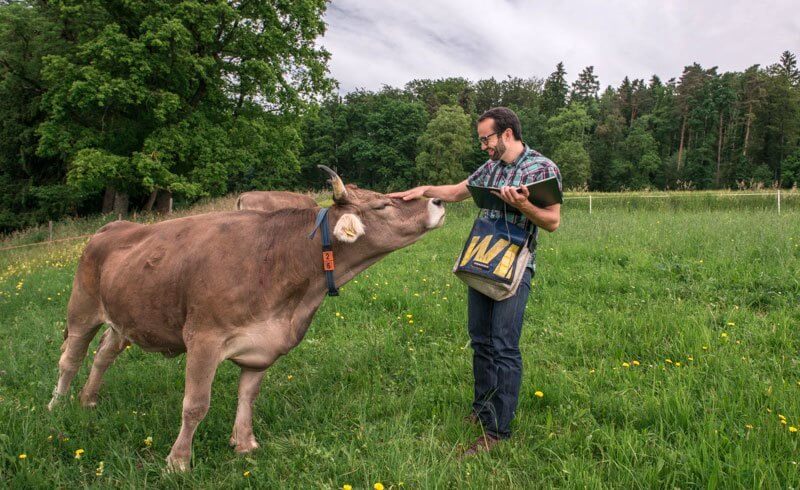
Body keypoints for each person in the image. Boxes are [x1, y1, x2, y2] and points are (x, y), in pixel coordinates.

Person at [388, 107, 561, 455]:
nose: (484, 146)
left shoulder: (541, 168)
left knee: (504, 345)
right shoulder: (492, 167)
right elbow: (456, 191)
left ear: (507, 134)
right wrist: (423, 190)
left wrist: (524, 206)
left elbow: (552, 221)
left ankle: (498, 432)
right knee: (481, 340)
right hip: (482, 260)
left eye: (487, 139)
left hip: (515, 267)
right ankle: (482, 410)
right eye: (481, 140)